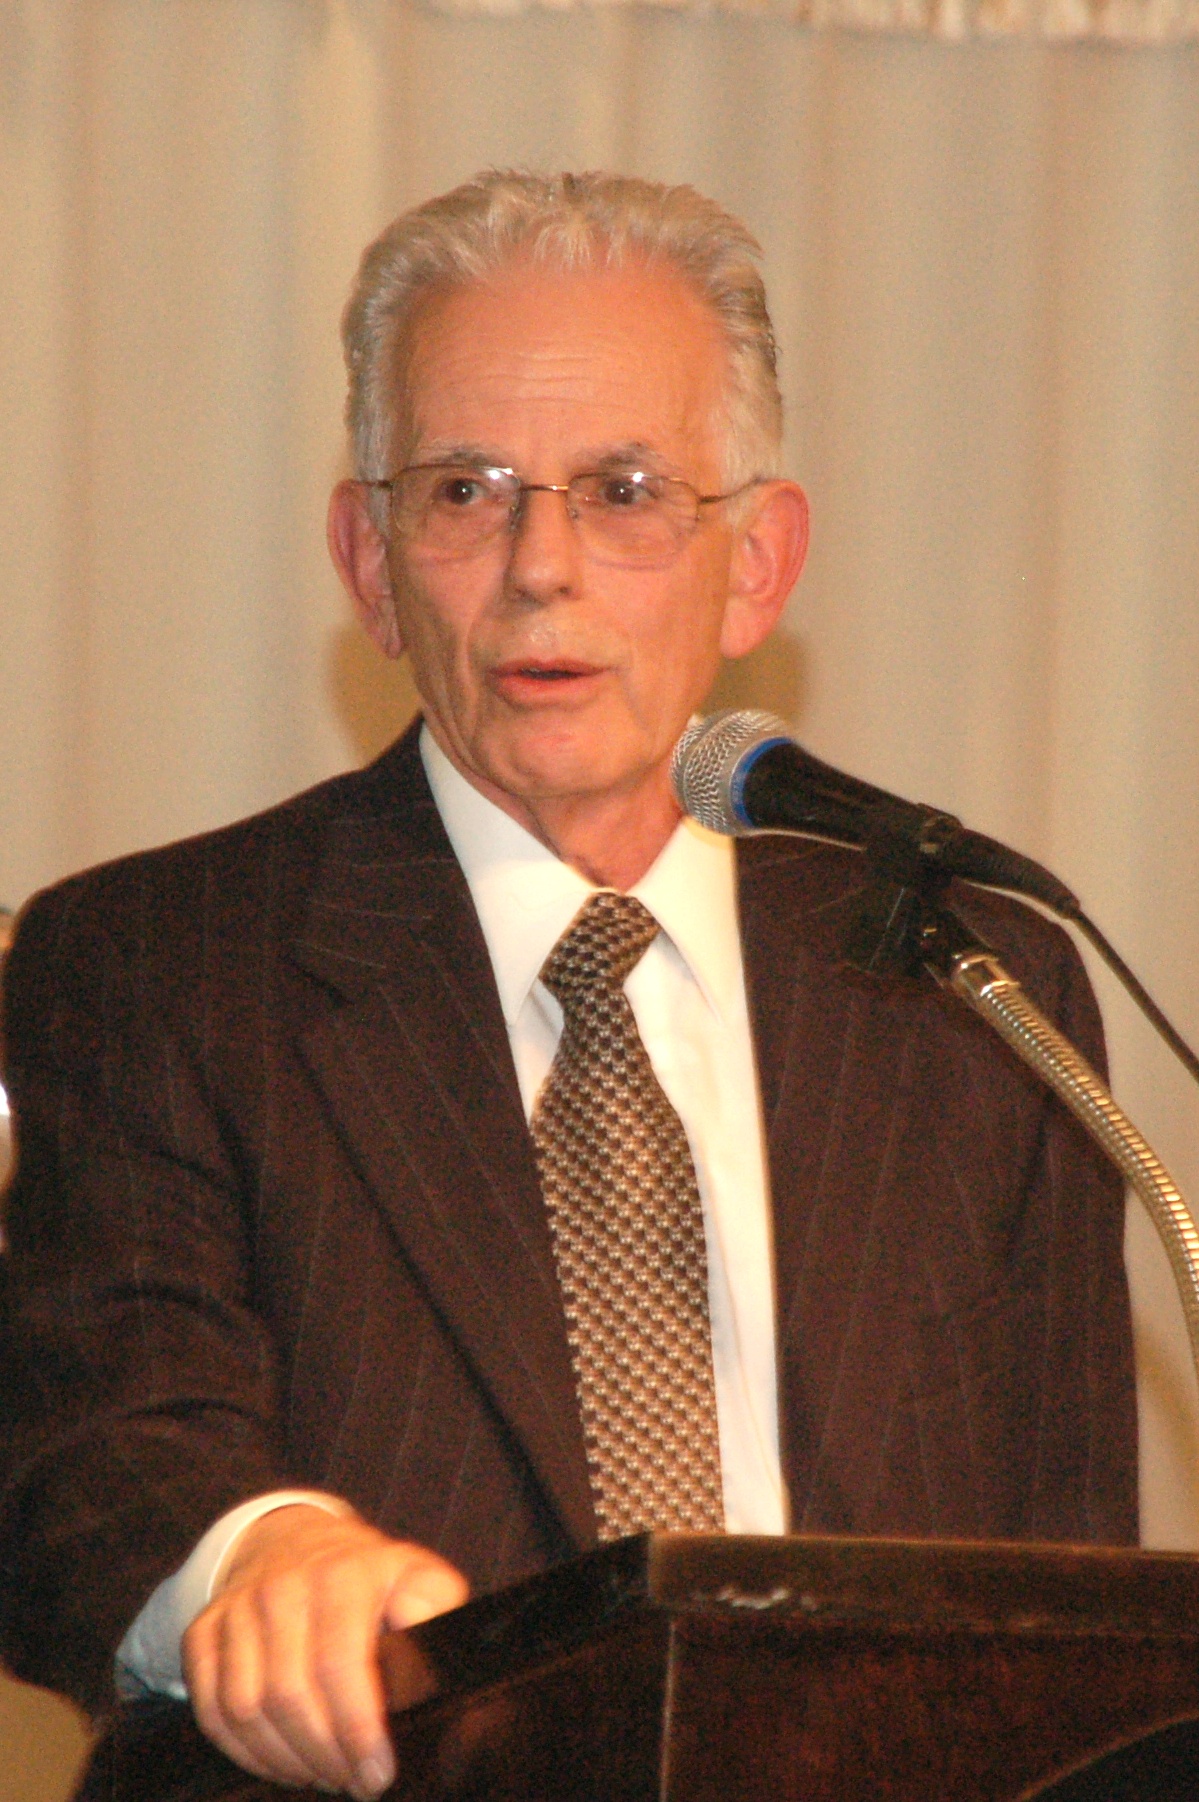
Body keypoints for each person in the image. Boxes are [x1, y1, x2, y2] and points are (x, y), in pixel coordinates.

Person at [0, 171, 1136, 1801]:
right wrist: (251, 1555)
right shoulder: (161, 963)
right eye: (465, 490)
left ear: (757, 564)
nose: (543, 564)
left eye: (623, 489)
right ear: (371, 562)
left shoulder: (967, 984)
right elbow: (88, 1438)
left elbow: (1070, 1619)